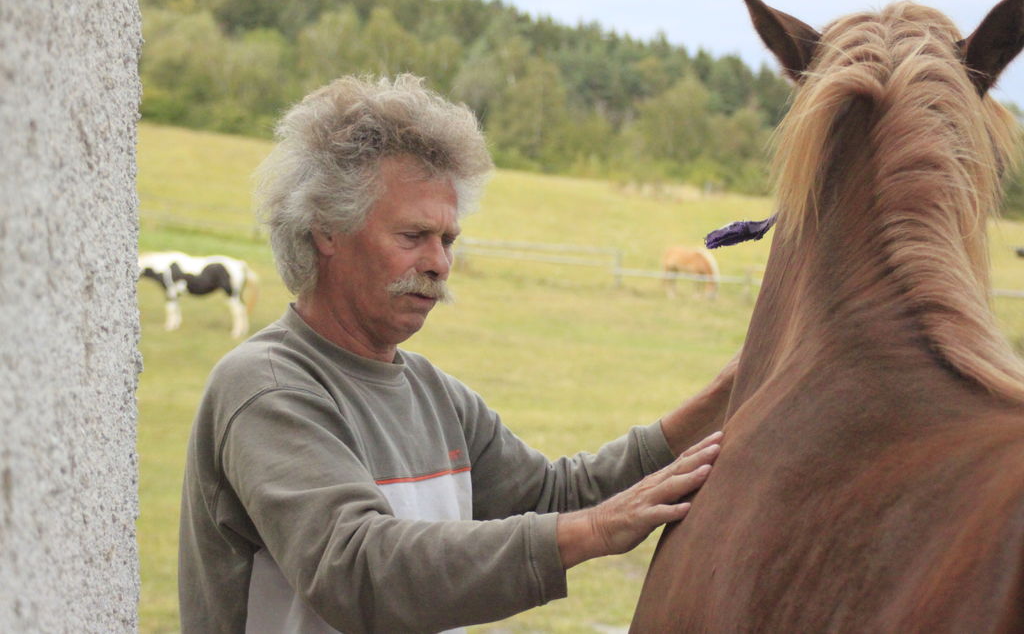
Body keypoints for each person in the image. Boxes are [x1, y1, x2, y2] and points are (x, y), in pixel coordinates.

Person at [178, 74, 735, 634]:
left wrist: (725, 394)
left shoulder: (433, 393)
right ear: (327, 230)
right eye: (413, 235)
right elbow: (359, 570)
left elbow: (549, 496)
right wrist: (591, 531)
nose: (439, 263)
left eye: (447, 241)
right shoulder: (265, 388)